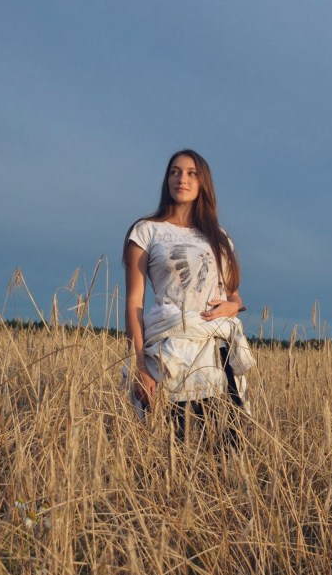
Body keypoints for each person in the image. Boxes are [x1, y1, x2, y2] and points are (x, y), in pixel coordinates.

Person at [123, 149, 255, 444]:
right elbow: (134, 303)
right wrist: (140, 366)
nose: (181, 179)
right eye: (175, 172)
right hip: (169, 351)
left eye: (191, 173)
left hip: (217, 352)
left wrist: (232, 307)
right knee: (173, 446)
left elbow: (234, 294)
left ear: (202, 182)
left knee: (229, 446)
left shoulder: (219, 236)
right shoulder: (146, 231)